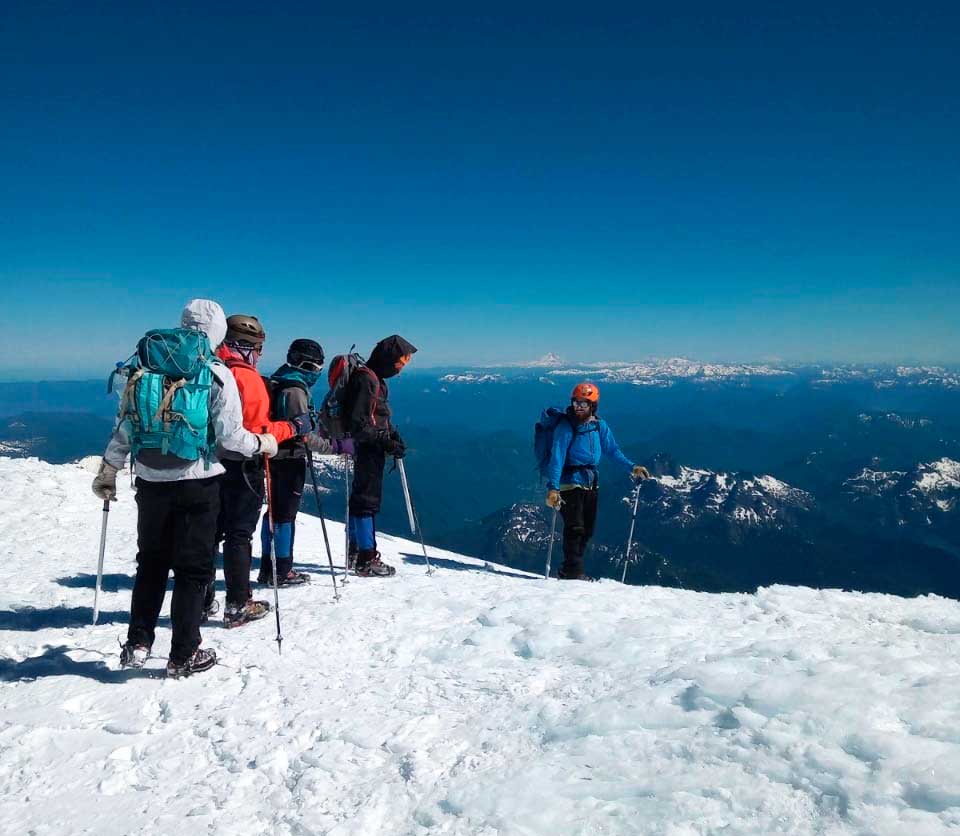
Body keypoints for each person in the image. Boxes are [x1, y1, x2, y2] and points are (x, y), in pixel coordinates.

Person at [91, 299, 278, 677]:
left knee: (152, 563)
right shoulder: (214, 372)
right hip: (199, 482)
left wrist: (109, 469)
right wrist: (265, 443)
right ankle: (183, 654)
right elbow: (232, 437)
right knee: (193, 570)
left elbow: (126, 426)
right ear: (217, 333)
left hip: (150, 481)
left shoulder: (143, 369)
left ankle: (138, 643)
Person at [213, 315, 311, 628]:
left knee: (210, 533)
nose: (260, 355)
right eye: (258, 348)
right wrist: (291, 427)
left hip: (205, 465)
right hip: (242, 465)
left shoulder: (208, 369)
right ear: (248, 346)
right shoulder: (246, 377)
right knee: (239, 535)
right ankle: (238, 602)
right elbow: (257, 429)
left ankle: (202, 601)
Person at [257, 338, 352, 585]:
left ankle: (269, 567)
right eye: (317, 367)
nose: (318, 372)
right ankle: (282, 571)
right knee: (284, 516)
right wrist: (336, 446)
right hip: (290, 458)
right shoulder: (295, 391)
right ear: (308, 365)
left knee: (274, 514)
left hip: (273, 456)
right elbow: (304, 435)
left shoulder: (278, 381)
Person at [544, 382, 649, 580]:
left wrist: (631, 467)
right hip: (569, 482)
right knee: (575, 527)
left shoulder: (599, 426)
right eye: (576, 403)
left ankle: (569, 569)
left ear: (593, 406)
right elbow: (556, 458)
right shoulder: (566, 427)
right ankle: (573, 573)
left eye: (583, 404)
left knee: (588, 529)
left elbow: (612, 450)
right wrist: (553, 488)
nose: (578, 408)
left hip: (591, 482)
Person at [345, 335, 417, 577]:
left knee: (360, 500)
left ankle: (355, 552)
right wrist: (385, 441)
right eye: (399, 363)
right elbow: (359, 424)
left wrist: (392, 435)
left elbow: (377, 417)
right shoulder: (367, 380)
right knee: (367, 500)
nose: (400, 369)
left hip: (370, 447)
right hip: (367, 449)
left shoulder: (374, 379)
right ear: (388, 359)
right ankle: (366, 558)